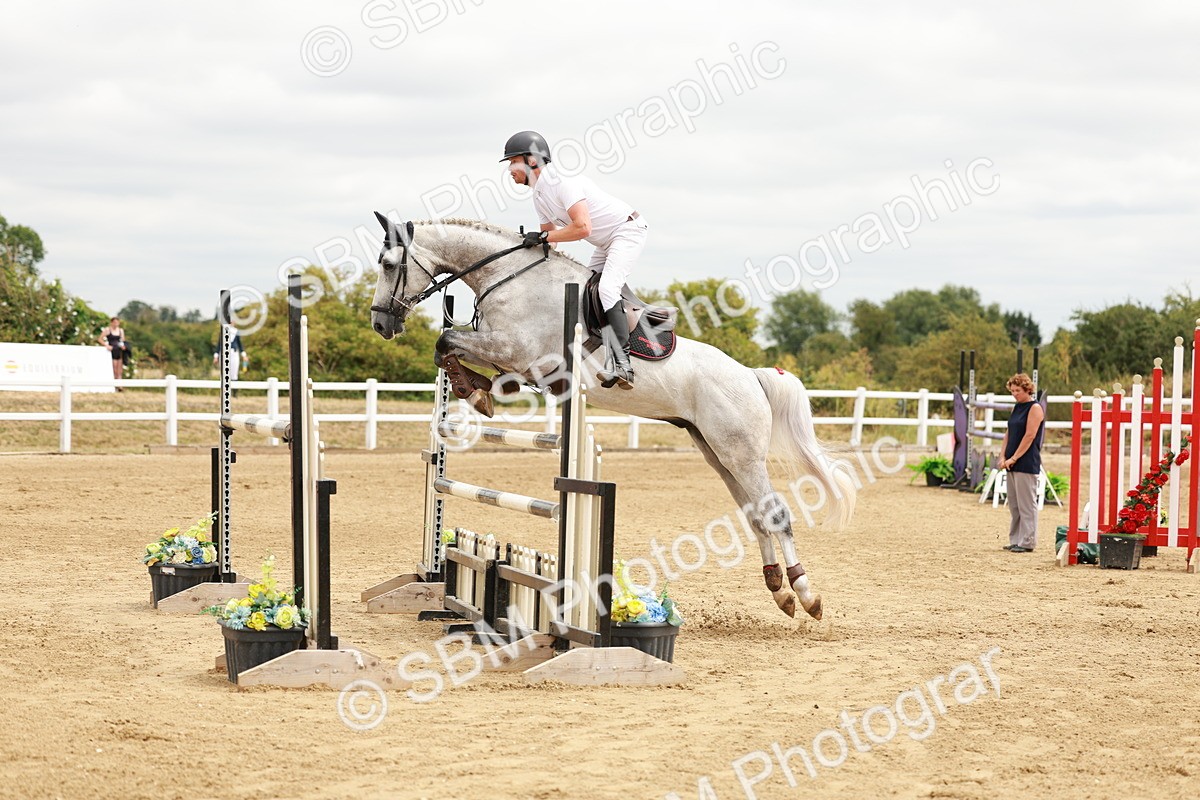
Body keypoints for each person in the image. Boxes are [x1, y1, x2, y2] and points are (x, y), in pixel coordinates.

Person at [501, 130, 648, 390]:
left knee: (607, 289)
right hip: (604, 242)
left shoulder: (561, 182)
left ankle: (623, 364)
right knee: (583, 293)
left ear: (532, 160)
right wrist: (527, 249)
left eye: (513, 162)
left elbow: (582, 228)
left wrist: (543, 236)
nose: (510, 169)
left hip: (626, 231)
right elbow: (551, 240)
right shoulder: (539, 195)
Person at [999, 373, 1045, 553]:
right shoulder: (1017, 407)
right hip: (1011, 461)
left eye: (1017, 390)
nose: (1014, 394)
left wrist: (1015, 457)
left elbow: (1030, 435)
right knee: (1014, 504)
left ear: (1027, 389)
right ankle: (1016, 539)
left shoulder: (1035, 408)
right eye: (1012, 391)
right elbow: (1008, 433)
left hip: (1026, 461)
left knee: (1026, 504)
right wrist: (1003, 456)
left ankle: (1027, 541)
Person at [99, 317, 126, 389]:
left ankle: (120, 385)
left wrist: (123, 345)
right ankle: (114, 385)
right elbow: (100, 339)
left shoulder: (120, 330)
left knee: (119, 369)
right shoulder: (107, 330)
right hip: (112, 350)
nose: (115, 324)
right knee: (114, 368)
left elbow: (123, 340)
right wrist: (106, 345)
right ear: (111, 323)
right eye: (114, 322)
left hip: (119, 350)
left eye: (117, 322)